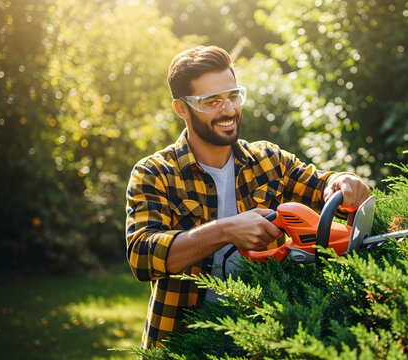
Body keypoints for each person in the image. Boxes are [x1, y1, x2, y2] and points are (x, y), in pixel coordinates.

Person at [125, 45, 370, 349]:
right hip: (183, 341)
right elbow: (142, 256)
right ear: (182, 109)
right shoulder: (154, 173)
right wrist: (225, 230)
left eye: (232, 96)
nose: (227, 110)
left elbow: (322, 185)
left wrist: (343, 182)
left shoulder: (269, 160)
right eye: (212, 101)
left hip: (266, 339)